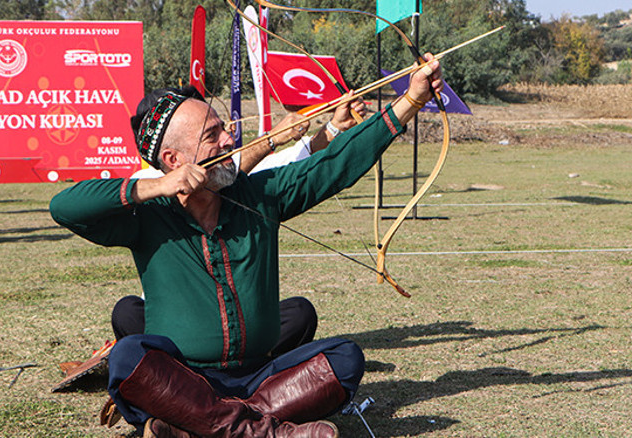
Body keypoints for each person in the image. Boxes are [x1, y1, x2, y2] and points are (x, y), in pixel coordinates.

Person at [49, 55, 443, 437]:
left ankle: (201, 423)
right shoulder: (148, 216)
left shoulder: (259, 194)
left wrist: (410, 101)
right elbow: (65, 207)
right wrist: (155, 188)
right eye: (212, 135)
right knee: (127, 357)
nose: (229, 138)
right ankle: (256, 429)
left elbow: (332, 166)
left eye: (224, 128)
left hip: (258, 375)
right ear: (173, 160)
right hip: (184, 374)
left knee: (345, 359)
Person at [112, 86, 367, 345]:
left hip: (236, 320)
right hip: (177, 323)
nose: (225, 139)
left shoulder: (229, 175)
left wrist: (333, 128)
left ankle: (238, 365)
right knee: (128, 313)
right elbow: (211, 179)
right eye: (209, 133)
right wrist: (269, 139)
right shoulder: (146, 184)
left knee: (299, 314)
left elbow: (282, 167)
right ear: (169, 153)